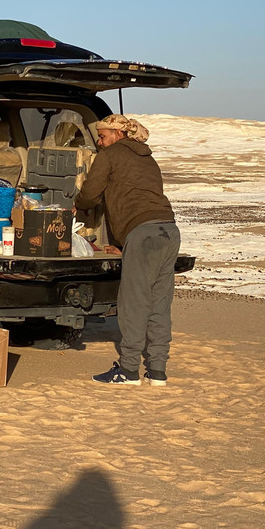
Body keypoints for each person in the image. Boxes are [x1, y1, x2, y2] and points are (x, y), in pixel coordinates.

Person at [74, 114, 180, 386]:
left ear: (118, 134)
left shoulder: (110, 155)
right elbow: (139, 197)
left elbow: (90, 194)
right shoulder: (148, 158)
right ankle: (157, 371)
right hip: (168, 230)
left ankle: (129, 370)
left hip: (142, 235)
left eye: (103, 135)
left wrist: (78, 204)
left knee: (133, 303)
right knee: (159, 304)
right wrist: (122, 244)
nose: (99, 141)